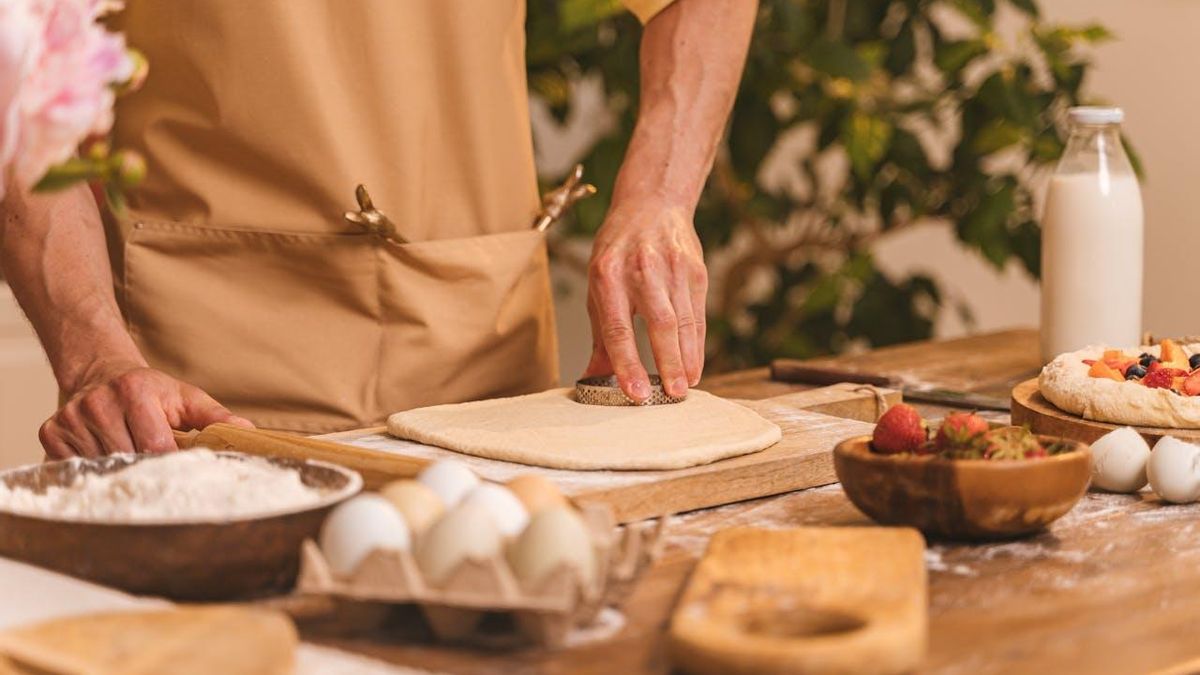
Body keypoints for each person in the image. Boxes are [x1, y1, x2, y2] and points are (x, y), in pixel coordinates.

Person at [0, 0, 756, 458]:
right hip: (194, 408)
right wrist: (96, 353)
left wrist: (658, 194)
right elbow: (20, 62)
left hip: (498, 391)